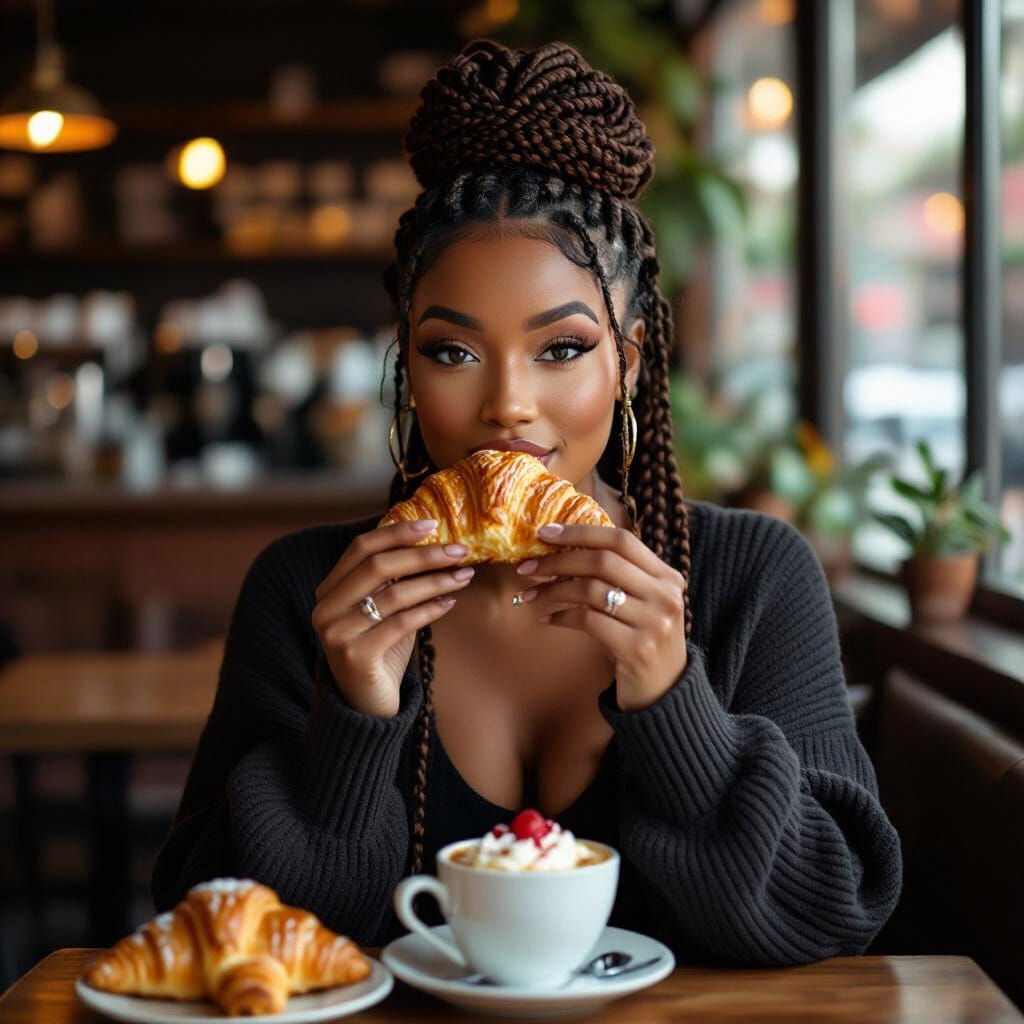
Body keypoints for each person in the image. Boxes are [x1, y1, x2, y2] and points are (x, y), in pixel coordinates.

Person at [152, 38, 901, 966]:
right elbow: (233, 945)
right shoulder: (308, 591)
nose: (507, 402)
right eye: (453, 351)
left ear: (629, 358)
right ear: (407, 370)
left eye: (562, 349)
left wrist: (674, 702)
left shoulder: (753, 579)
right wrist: (350, 718)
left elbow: (828, 919)